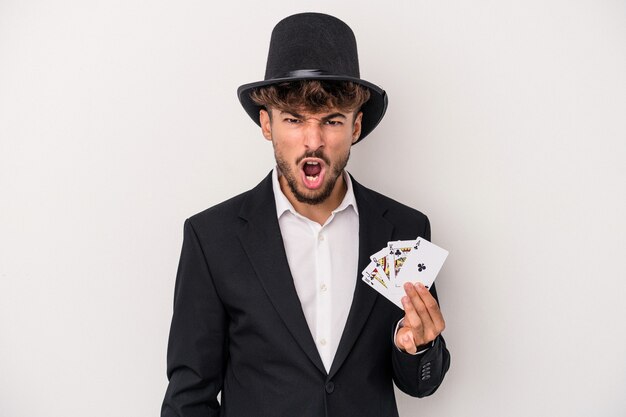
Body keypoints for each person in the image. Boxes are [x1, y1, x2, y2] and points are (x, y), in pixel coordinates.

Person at [162, 12, 450, 417]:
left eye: (332, 121)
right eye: (294, 120)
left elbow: (421, 383)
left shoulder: (404, 230)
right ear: (267, 124)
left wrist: (419, 345)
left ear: (355, 126)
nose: (313, 141)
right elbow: (188, 397)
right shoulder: (212, 238)